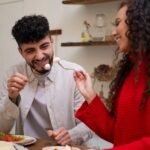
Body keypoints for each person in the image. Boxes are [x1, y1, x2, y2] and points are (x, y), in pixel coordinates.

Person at [0, 14, 97, 146]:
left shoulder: (73, 74)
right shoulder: (12, 76)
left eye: (44, 46)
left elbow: (91, 126)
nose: (39, 56)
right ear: (20, 52)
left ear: (52, 41)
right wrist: (11, 99)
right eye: (30, 51)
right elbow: (2, 130)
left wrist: (71, 135)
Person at [74, 0, 150, 149]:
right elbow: (117, 133)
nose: (114, 32)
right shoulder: (130, 71)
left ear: (138, 23)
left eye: (118, 23)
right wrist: (90, 96)